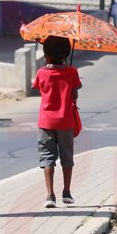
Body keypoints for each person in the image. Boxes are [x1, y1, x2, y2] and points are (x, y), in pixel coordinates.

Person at [33, 35, 81, 208]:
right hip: (66, 122)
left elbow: (40, 90)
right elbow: (75, 95)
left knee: (47, 157)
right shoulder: (72, 72)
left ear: (46, 55)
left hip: (46, 122)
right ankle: (66, 192)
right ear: (66, 54)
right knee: (67, 157)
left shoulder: (41, 73)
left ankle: (50, 195)